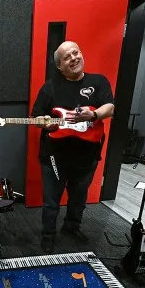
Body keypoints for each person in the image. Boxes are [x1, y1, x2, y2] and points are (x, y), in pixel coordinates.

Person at [31, 41, 115, 253]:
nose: (74, 58)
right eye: (67, 57)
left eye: (76, 53)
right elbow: (37, 115)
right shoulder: (50, 87)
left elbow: (110, 107)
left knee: (79, 198)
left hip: (87, 155)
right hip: (54, 156)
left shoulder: (98, 81)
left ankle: (72, 227)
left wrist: (93, 114)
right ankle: (48, 236)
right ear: (60, 66)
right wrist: (45, 122)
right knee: (51, 202)